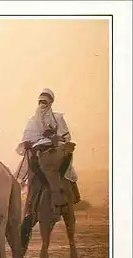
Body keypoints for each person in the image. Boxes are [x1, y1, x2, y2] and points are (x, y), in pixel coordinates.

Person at [15, 88, 81, 245]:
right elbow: (27, 138)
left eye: (45, 102)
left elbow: (66, 136)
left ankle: (67, 197)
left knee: (65, 164)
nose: (42, 104)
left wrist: (54, 138)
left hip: (56, 150)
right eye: (40, 101)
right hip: (38, 152)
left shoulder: (58, 118)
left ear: (51, 102)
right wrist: (35, 141)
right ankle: (30, 212)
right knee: (34, 177)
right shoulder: (32, 121)